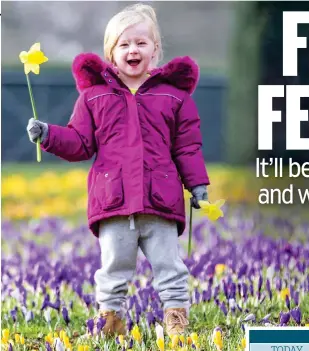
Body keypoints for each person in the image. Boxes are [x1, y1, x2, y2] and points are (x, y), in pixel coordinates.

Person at [26, 3, 210, 337]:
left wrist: (197, 185)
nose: (133, 50)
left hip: (161, 201)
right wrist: (49, 135)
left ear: (155, 50)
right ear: (111, 54)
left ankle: (176, 318)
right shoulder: (94, 97)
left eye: (141, 43)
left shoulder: (175, 97)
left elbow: (187, 147)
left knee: (170, 266)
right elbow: (80, 142)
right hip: (113, 201)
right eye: (124, 44)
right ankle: (110, 320)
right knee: (113, 267)